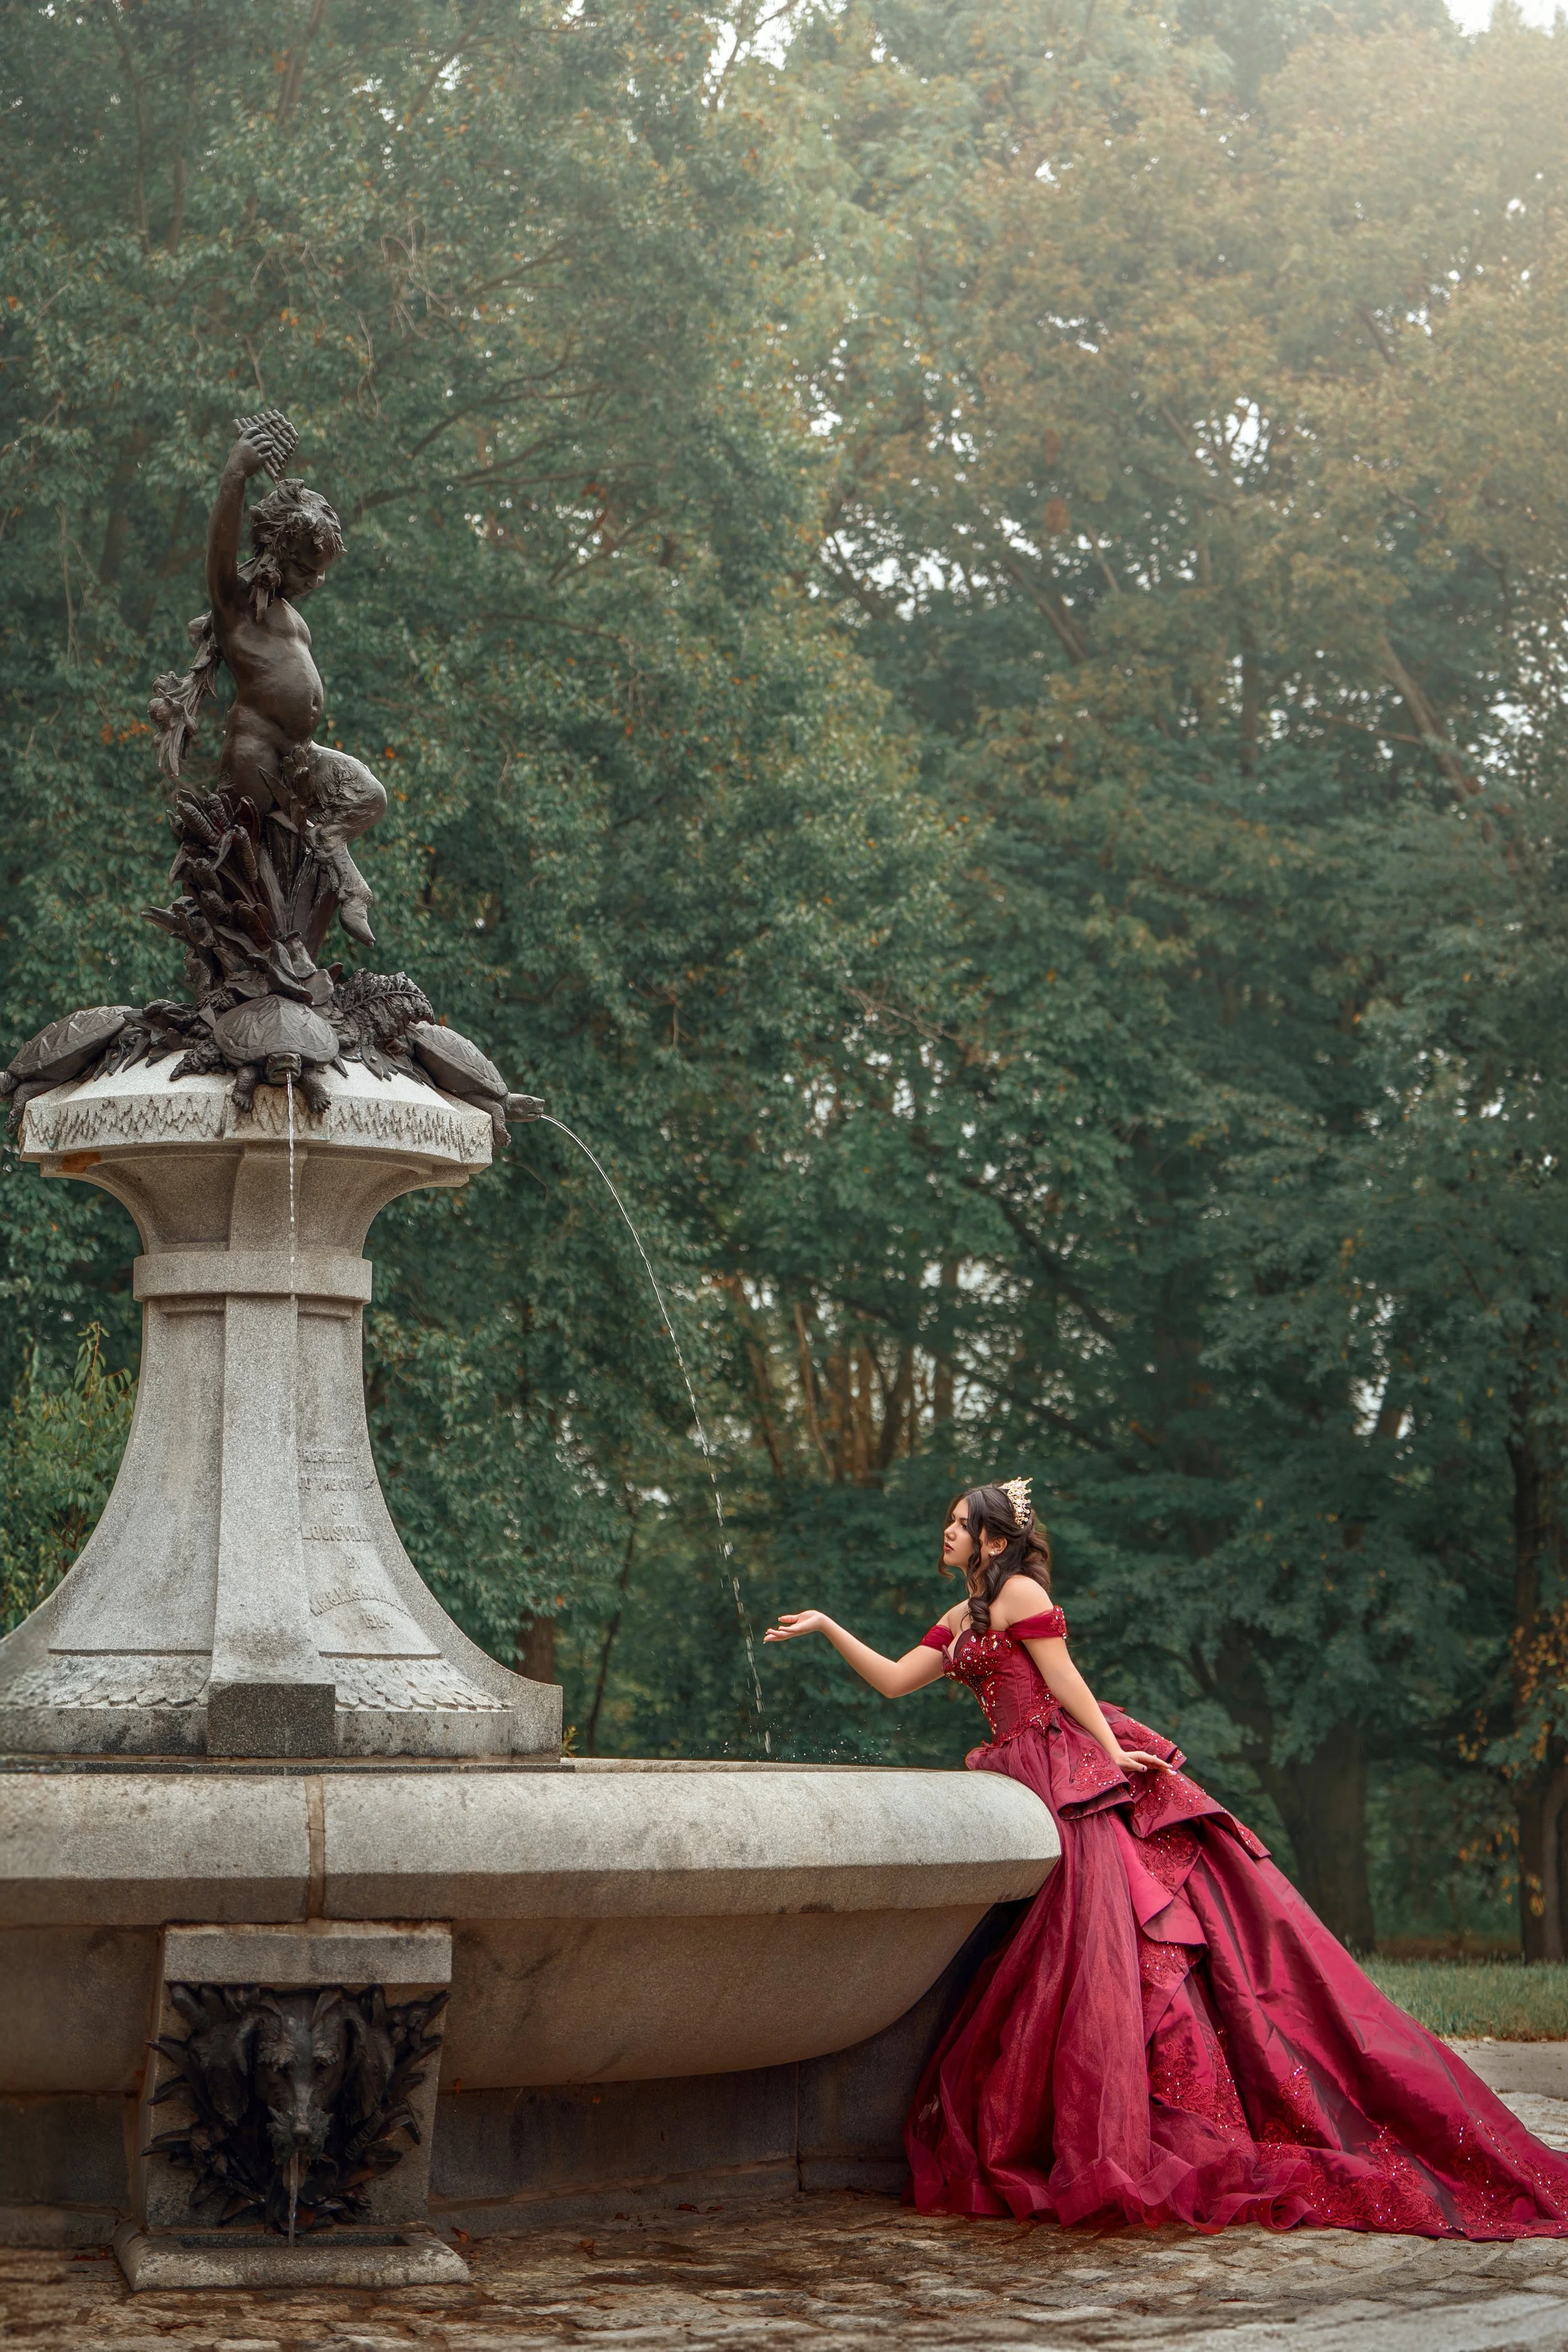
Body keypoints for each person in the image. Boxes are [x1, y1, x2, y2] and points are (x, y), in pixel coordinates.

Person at [764, 1478, 1568, 2236]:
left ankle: (1131, 2122)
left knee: (1097, 1942)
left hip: (1057, 1763)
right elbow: (899, 1681)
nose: (944, 1530)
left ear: (991, 1536)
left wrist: (1109, 1754)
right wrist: (830, 1626)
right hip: (1018, 1767)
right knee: (1063, 1946)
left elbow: (1064, 1679)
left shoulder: (1019, 1594)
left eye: (956, 1520)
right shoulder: (965, 1611)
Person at [148, 410, 386, 948]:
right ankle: (258, 975)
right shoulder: (236, 606)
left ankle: (334, 855)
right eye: (306, 569)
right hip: (255, 756)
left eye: (321, 571)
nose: (316, 582)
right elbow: (219, 550)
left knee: (368, 795)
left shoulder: (290, 617)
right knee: (256, 885)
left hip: (300, 753)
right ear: (276, 552)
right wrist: (236, 474)